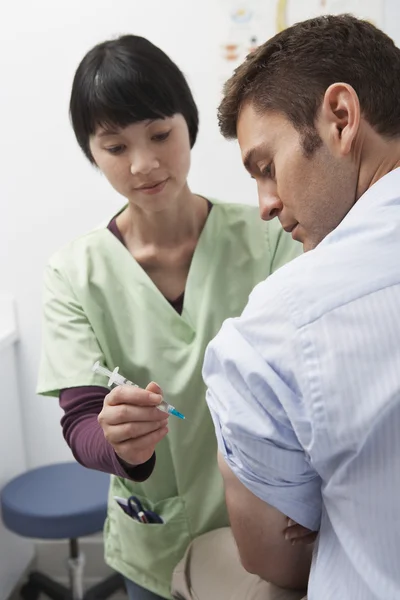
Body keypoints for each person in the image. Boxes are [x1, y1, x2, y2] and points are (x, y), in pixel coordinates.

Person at [36, 34, 302, 600]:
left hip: (269, 526)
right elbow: (81, 420)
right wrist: (120, 445)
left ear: (190, 125)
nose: (143, 164)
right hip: (154, 542)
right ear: (92, 152)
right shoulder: (75, 274)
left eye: (160, 134)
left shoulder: (272, 236)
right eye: (114, 147)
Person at [198, 13, 400, 600]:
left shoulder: (281, 322)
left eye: (266, 166)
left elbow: (274, 557)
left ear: (341, 118)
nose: (265, 203)